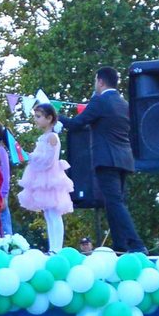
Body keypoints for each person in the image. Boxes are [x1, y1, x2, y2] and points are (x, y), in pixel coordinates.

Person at [62, 67, 144, 252]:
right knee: (113, 203)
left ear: (100, 81)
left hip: (107, 159)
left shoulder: (100, 101)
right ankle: (120, 245)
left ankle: (136, 243)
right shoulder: (124, 103)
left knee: (114, 203)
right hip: (124, 159)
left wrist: (56, 117)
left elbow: (76, 124)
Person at [20, 103, 76, 254]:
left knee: (54, 214)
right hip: (42, 177)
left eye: (38, 116)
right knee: (48, 214)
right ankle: (53, 247)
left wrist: (32, 157)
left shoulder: (52, 137)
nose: (36, 119)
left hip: (51, 178)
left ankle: (57, 248)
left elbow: (49, 159)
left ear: (49, 118)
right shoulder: (43, 137)